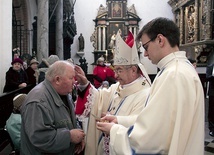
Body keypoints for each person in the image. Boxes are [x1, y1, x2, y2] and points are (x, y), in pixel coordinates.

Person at [97, 17, 205, 155]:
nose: (146, 54)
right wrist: (119, 120)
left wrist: (113, 130)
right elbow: (160, 121)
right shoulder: (181, 68)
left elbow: (150, 140)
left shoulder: (173, 75)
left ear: (160, 40)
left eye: (146, 47)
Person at [74, 30, 151, 155]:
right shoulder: (117, 87)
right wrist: (84, 84)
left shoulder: (146, 94)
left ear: (133, 70)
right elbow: (97, 97)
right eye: (115, 70)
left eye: (119, 70)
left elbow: (142, 127)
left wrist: (116, 122)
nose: (115, 75)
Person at [20, 61, 85, 155]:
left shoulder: (64, 93)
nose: (74, 82)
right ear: (57, 80)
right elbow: (40, 138)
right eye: (71, 78)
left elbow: (70, 119)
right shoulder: (38, 101)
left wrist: (78, 138)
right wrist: (69, 137)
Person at [206, 63, 214, 137]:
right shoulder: (210, 66)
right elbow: (207, 77)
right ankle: (211, 129)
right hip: (212, 92)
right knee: (211, 111)